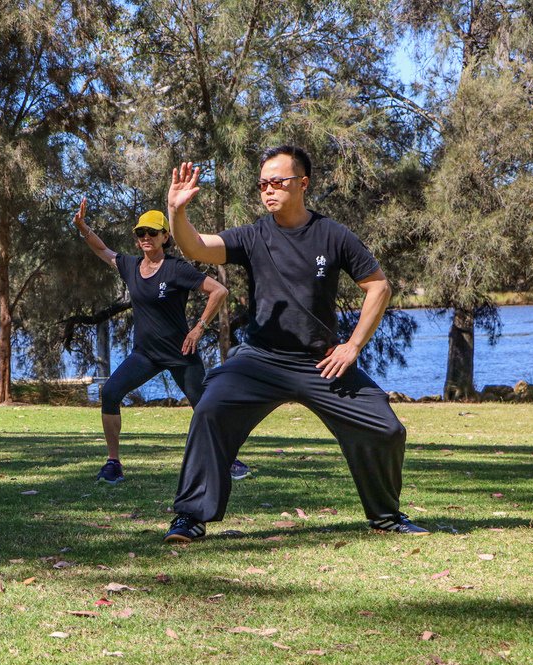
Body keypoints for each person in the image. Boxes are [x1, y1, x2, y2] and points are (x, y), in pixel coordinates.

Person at [162, 145, 428, 542]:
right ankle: (190, 516)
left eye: (277, 182)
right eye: (262, 184)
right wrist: (177, 211)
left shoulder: (332, 235)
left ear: (302, 183)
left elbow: (379, 287)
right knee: (210, 408)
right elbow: (196, 248)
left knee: (385, 429)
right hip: (260, 359)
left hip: (321, 361)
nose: (268, 190)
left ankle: (386, 516)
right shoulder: (253, 236)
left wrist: (352, 345)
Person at [72, 198, 236, 483]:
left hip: (180, 352)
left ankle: (229, 459)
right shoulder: (131, 266)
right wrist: (83, 227)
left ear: (165, 236)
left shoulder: (177, 269)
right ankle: (113, 464)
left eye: (152, 232)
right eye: (141, 233)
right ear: (137, 240)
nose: (146, 237)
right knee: (110, 392)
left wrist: (198, 328)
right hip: (145, 355)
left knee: (205, 405)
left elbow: (219, 291)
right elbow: (103, 250)